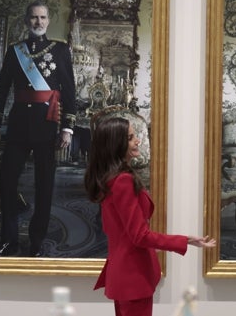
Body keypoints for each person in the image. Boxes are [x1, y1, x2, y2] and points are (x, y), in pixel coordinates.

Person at [84, 117, 216, 316]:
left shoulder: (112, 179)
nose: (137, 141)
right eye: (130, 138)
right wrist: (185, 240)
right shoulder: (122, 181)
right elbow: (140, 236)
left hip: (124, 276)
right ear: (116, 145)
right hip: (132, 276)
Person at [0, 1, 76, 257]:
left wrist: (67, 128)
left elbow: (69, 91)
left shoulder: (59, 50)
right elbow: (2, 90)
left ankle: (36, 241)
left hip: (47, 126)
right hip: (17, 126)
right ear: (27, 21)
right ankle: (8, 240)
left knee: (44, 185)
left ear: (48, 21)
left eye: (43, 17)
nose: (38, 22)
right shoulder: (15, 51)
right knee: (6, 181)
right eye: (34, 17)